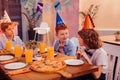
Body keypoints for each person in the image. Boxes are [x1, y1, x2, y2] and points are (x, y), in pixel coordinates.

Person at [75, 14, 108, 80]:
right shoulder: (84, 48)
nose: (78, 38)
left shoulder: (100, 53)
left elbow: (97, 76)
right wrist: (78, 58)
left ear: (86, 39)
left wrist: (87, 59)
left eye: (80, 37)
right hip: (86, 74)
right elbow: (82, 67)